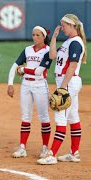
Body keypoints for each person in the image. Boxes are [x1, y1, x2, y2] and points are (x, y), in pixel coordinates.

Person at [37, 14, 87, 165]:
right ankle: (74, 153)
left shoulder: (75, 43)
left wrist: (63, 88)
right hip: (67, 82)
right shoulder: (68, 42)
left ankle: (52, 154)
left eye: (63, 25)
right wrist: (54, 38)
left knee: (60, 116)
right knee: (73, 117)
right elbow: (52, 55)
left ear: (71, 25)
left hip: (68, 82)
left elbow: (72, 66)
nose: (61, 27)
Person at [7, 26, 53, 158]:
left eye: (38, 35)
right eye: (33, 35)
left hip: (40, 84)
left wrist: (23, 70)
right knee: (25, 117)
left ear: (44, 37)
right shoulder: (27, 50)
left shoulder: (48, 51)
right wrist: (10, 84)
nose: (35, 37)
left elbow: (39, 71)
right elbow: (14, 66)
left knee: (44, 117)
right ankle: (22, 147)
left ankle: (45, 148)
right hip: (26, 84)